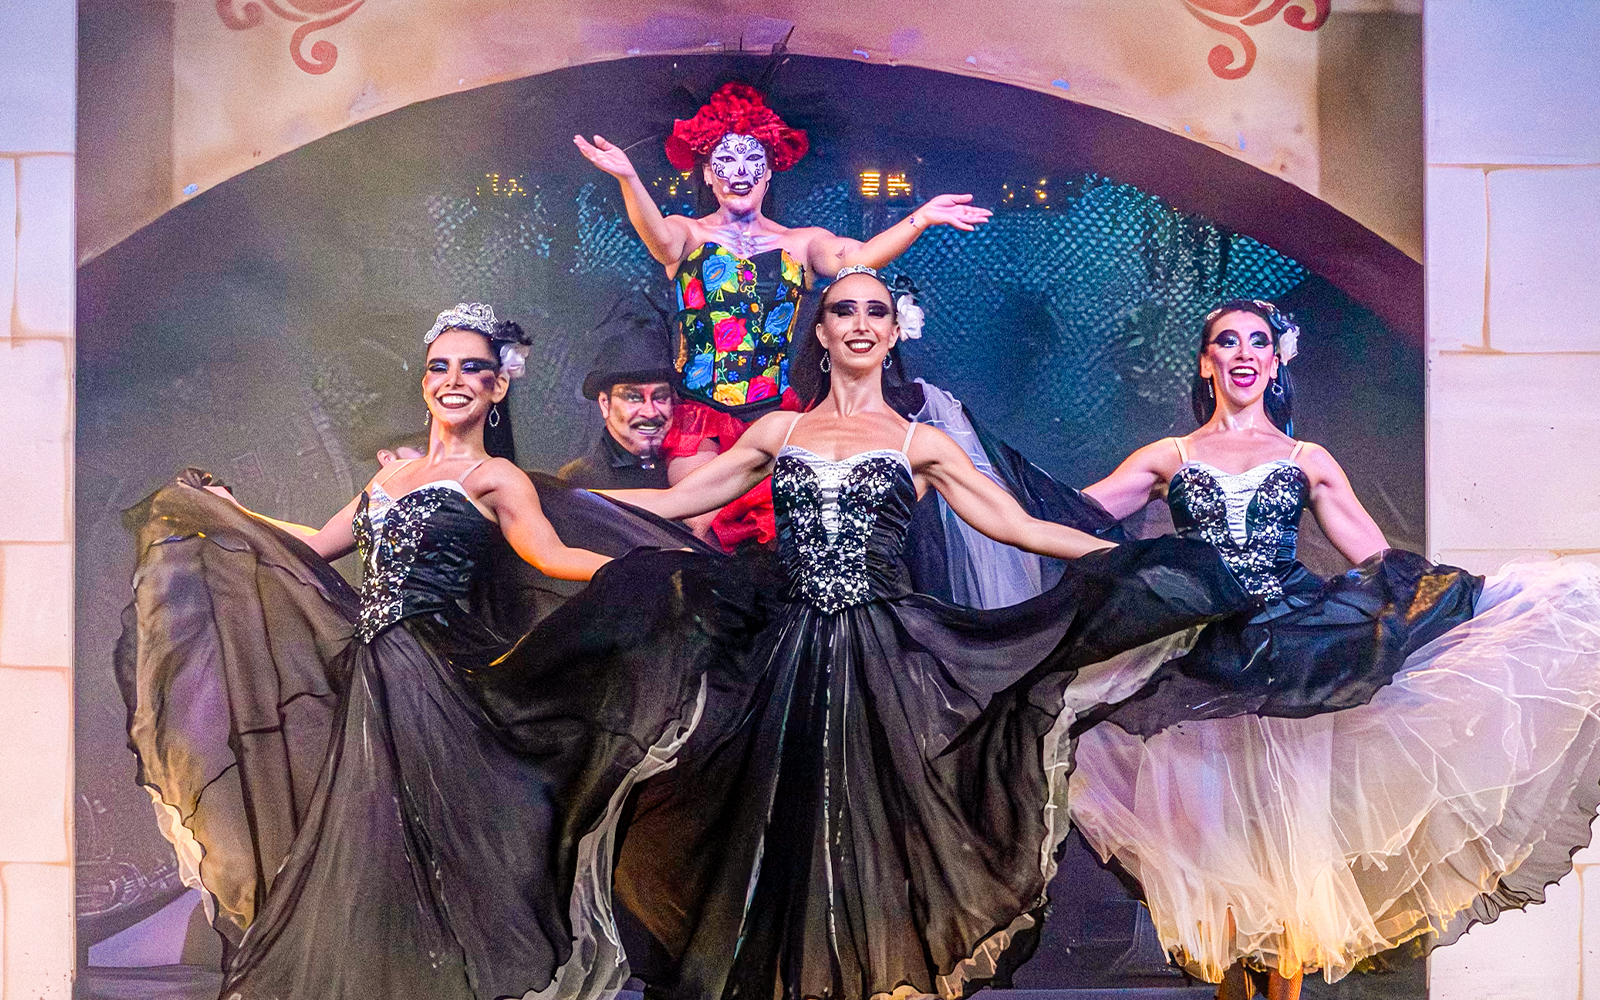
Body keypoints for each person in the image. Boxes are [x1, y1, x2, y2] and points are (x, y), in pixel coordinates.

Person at [597, 268, 1251, 1000]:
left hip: (884, 658)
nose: (860, 322)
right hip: (787, 654)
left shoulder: (922, 443)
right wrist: (561, 495)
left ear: (891, 330)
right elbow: (682, 500)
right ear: (821, 331)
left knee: (878, 838)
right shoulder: (779, 432)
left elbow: (1019, 526)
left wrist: (1137, 557)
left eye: (876, 311)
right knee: (775, 833)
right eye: (843, 310)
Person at [117, 303, 766, 999]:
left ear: (497, 387)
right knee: (368, 848)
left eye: (473, 369)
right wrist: (233, 514)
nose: (453, 380)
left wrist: (641, 571)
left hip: (437, 680)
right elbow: (310, 551)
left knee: (450, 849)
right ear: (426, 383)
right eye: (440, 367)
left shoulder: (497, 480)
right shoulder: (387, 480)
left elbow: (548, 554)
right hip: (371, 675)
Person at [1057, 300, 1600, 998]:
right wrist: (979, 488)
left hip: (1293, 665)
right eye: (1227, 341)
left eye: (1258, 341)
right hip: (1200, 669)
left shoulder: (1305, 459)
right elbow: (1075, 513)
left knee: (1287, 869)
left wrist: (1463, 608)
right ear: (1207, 361)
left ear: (1276, 361)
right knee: (1220, 869)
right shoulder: (1171, 456)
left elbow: (1379, 559)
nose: (1244, 353)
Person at [575, 82, 992, 487]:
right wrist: (628, 178)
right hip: (700, 417)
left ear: (769, 172)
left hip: (775, 413)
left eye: (751, 161)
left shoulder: (803, 242)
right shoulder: (687, 233)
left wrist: (922, 217)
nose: (739, 173)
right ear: (706, 174)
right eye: (726, 161)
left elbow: (860, 257)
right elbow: (660, 242)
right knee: (700, 522)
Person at [558, 310, 678, 489]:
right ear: (605, 404)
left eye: (660, 397)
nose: (650, 412)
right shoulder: (580, 483)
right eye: (633, 397)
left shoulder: (690, 465)